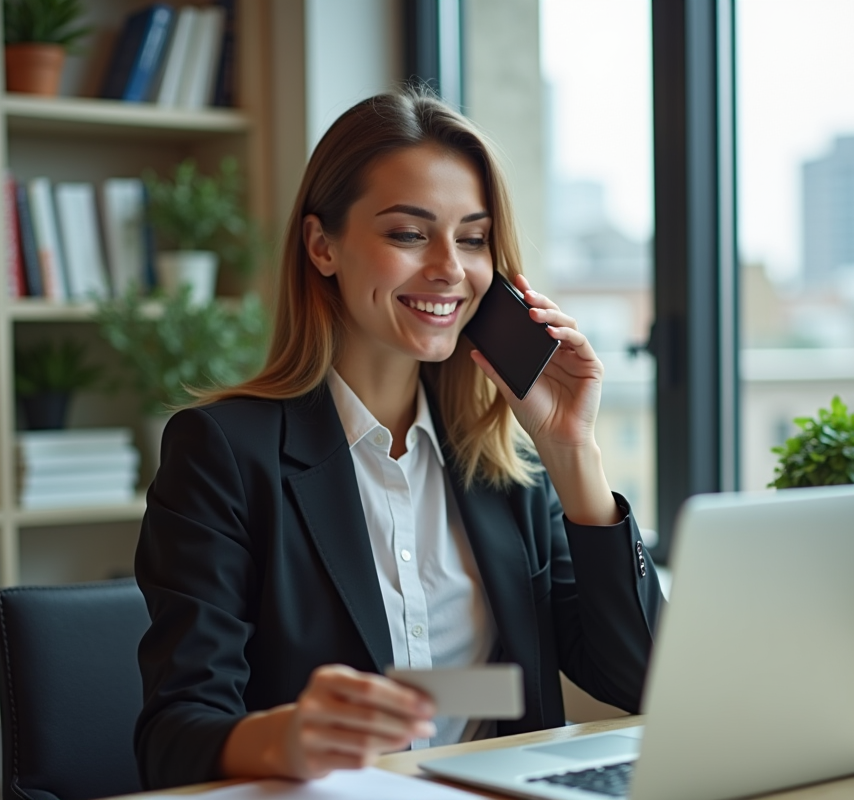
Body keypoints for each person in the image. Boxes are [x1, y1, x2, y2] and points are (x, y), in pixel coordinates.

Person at [133, 90, 665, 790]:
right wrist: (289, 735)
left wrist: (572, 452)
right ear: (323, 246)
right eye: (410, 234)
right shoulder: (223, 453)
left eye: (472, 238)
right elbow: (173, 736)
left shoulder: (508, 464)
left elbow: (641, 682)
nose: (449, 267)